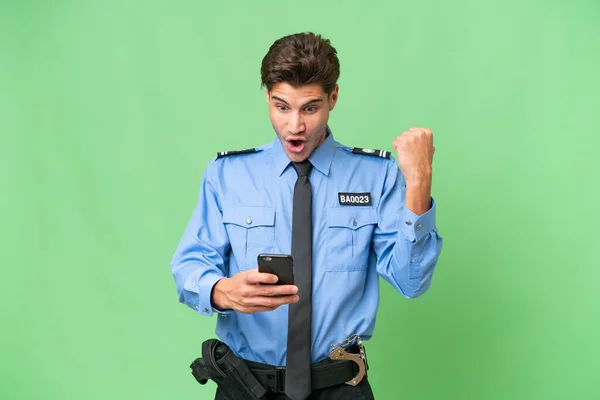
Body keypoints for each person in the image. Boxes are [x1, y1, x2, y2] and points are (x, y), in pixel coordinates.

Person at [171, 32, 443, 400]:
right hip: (246, 387)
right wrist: (221, 291)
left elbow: (411, 283)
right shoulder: (228, 175)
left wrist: (419, 185)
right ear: (267, 97)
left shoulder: (374, 175)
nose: (294, 126)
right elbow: (189, 266)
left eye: (310, 108)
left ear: (333, 98)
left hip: (340, 388)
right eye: (282, 107)